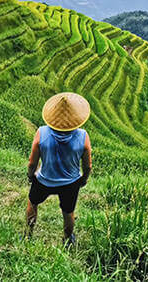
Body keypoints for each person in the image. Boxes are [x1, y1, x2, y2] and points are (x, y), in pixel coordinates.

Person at [25, 92, 92, 247]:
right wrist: (84, 179)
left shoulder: (41, 132)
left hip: (44, 180)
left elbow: (31, 163)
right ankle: (68, 240)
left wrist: (31, 176)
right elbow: (88, 165)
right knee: (68, 212)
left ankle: (28, 235)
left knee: (32, 203)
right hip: (71, 183)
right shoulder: (83, 136)